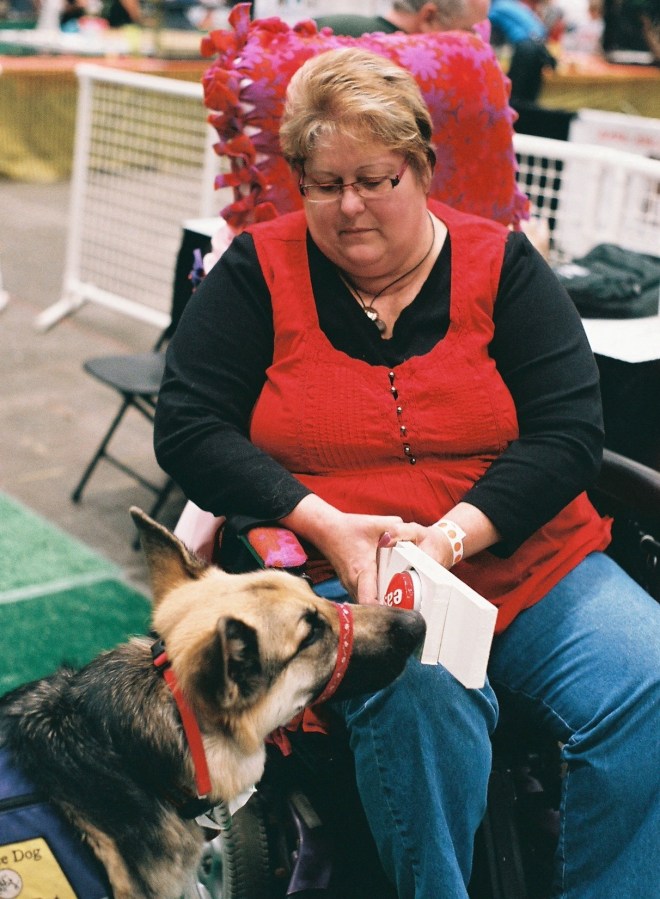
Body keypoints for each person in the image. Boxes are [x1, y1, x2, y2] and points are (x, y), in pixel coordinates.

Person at [154, 48, 660, 898]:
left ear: (421, 167)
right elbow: (189, 426)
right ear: (301, 183)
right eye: (323, 183)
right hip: (349, 582)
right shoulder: (257, 272)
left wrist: (456, 533)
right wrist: (320, 520)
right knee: (416, 692)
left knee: (647, 675)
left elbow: (571, 431)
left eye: (374, 178)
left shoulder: (502, 265)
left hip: (531, 563)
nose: (349, 205)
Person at [314, 0, 491, 35]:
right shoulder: (409, 69)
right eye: (468, 30)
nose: (472, 40)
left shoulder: (325, 25)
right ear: (429, 17)